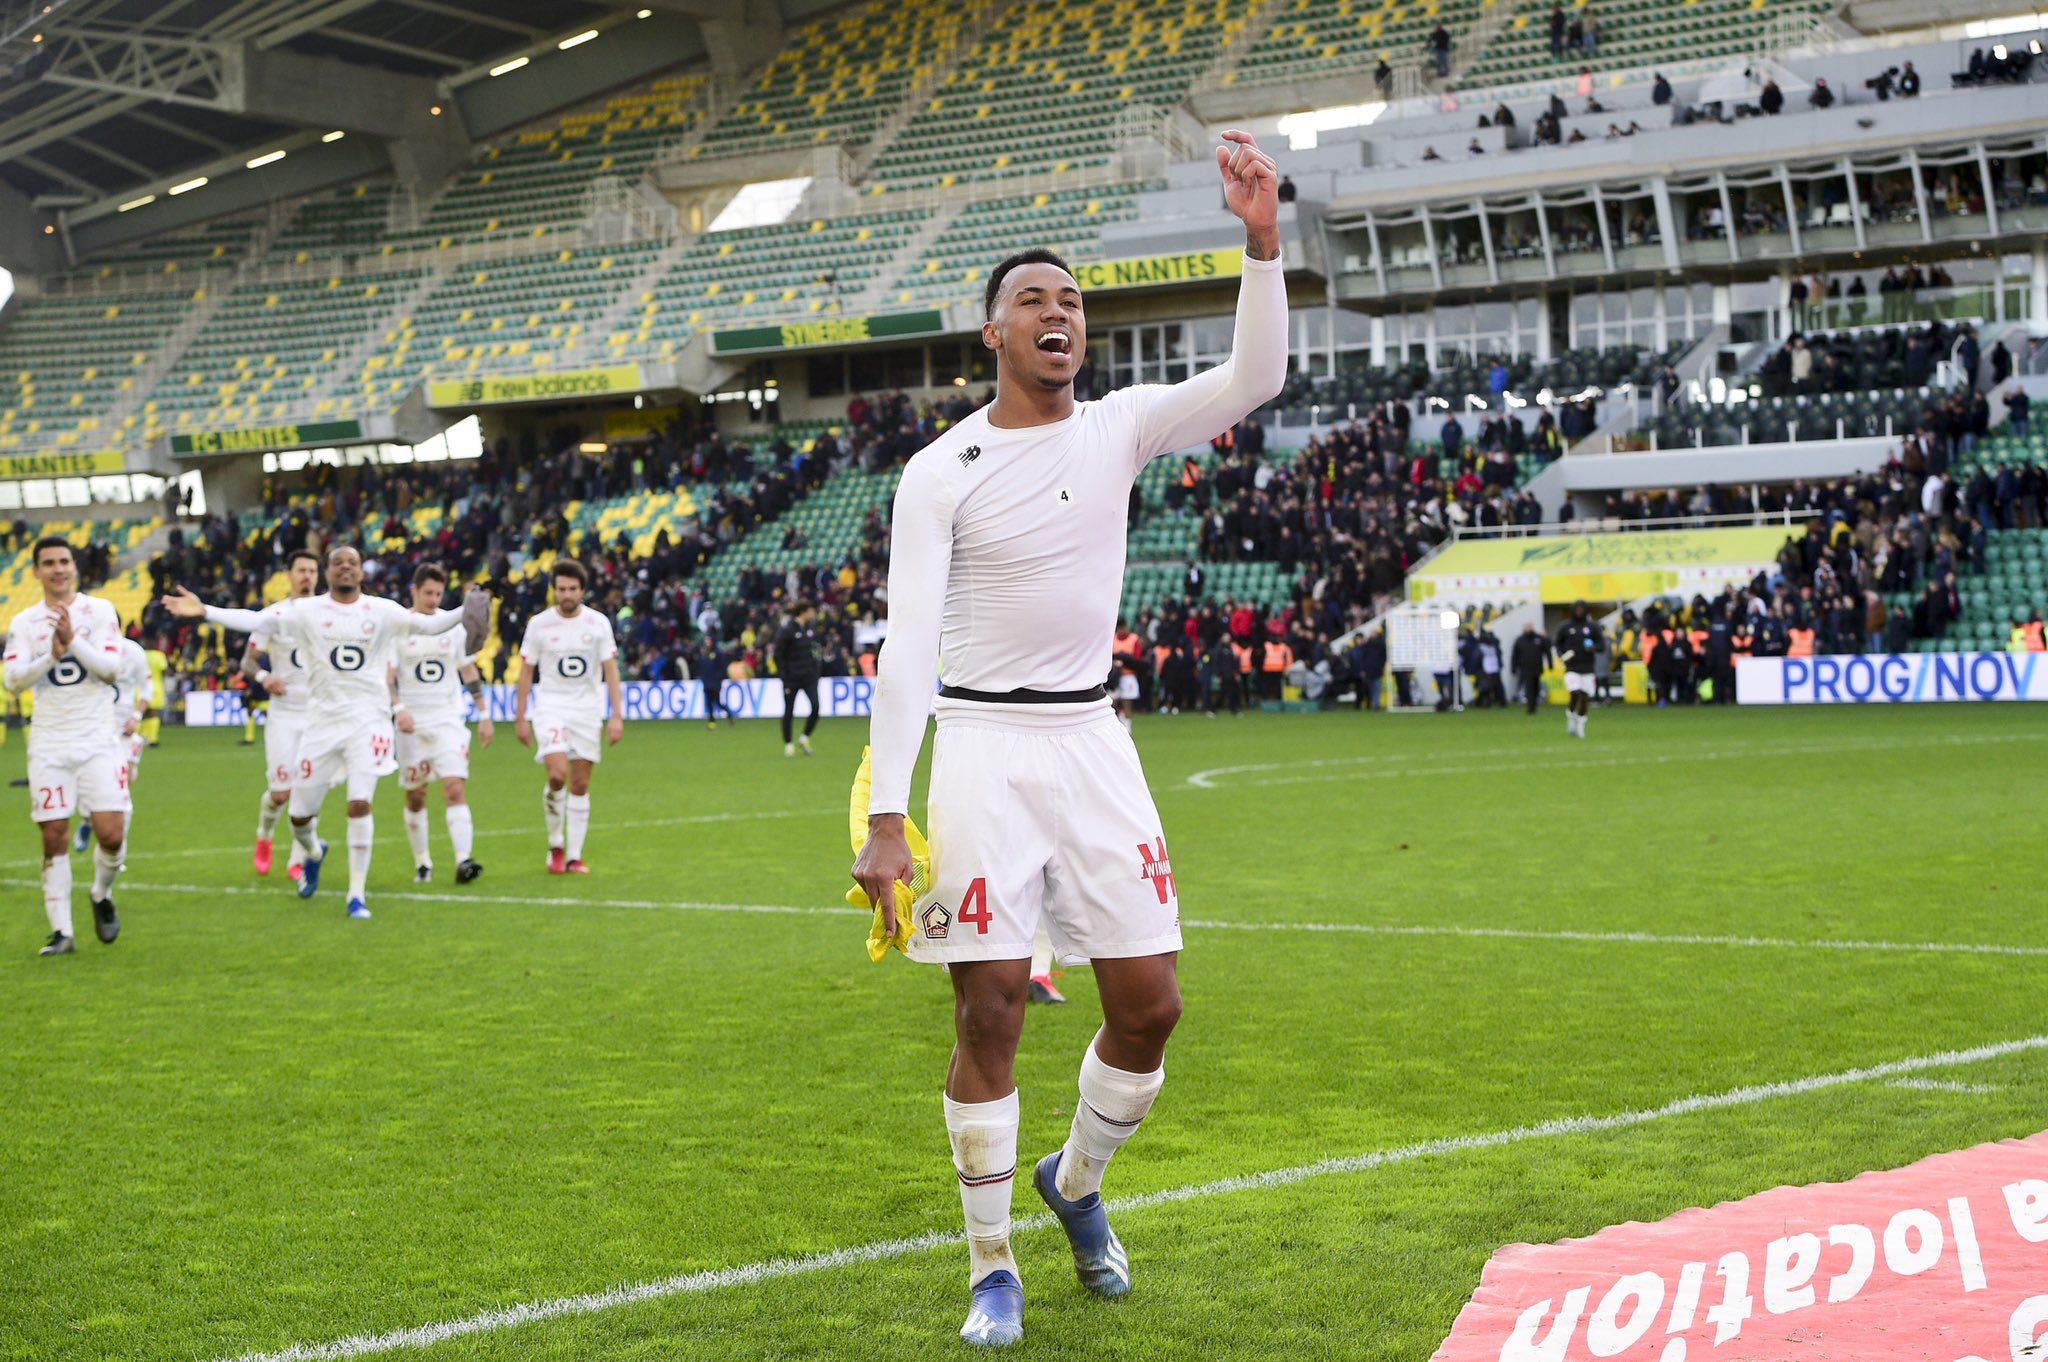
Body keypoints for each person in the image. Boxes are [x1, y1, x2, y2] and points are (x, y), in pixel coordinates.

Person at [850, 128, 1286, 1349]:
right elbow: (906, 646)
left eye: (1072, 301)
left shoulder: (1119, 427)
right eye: (1032, 300)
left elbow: (1251, 379)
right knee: (987, 1009)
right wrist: (889, 816)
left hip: (1095, 740)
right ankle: (992, 1269)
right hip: (982, 748)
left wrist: (1260, 242)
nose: (1059, 314)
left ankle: (1076, 1185)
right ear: (990, 332)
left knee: (1148, 1007)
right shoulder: (938, 471)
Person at [164, 546, 486, 920]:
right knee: (300, 817)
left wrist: (471, 605)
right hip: (320, 725)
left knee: (359, 802)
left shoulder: (382, 611)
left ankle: (356, 895)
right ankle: (314, 852)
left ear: (361, 573)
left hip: (369, 721)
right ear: (329, 573)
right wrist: (205, 611)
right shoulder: (306, 611)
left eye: (352, 562)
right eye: (338, 563)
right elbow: (256, 621)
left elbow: (430, 624)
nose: (345, 567)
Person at [7, 537, 131, 956]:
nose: (57, 569)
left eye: (64, 561)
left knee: (111, 834)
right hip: (49, 743)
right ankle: (62, 932)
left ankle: (100, 893)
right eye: (48, 563)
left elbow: (112, 670)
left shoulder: (99, 612)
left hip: (98, 739)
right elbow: (12, 681)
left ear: (74, 567)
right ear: (37, 572)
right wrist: (50, 657)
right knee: (54, 835)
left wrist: (72, 641)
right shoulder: (24, 622)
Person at [514, 559, 624, 875]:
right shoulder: (539, 624)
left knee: (579, 783)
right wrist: (520, 717)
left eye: (573, 589)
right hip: (551, 707)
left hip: (588, 710)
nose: (567, 594)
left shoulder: (598, 623)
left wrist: (616, 715)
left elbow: (611, 671)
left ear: (582, 591)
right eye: (561, 589)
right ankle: (555, 845)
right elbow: (526, 672)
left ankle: (574, 856)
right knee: (557, 775)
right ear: (554, 590)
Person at [391, 563, 492, 885]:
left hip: (449, 719)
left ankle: (464, 860)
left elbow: (469, 671)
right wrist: (398, 709)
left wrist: (484, 714)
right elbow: (387, 678)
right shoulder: (398, 628)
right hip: (411, 726)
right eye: (428, 593)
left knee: (454, 787)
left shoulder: (453, 626)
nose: (434, 600)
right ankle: (423, 862)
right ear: (414, 591)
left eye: (438, 593)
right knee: (416, 795)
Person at [243, 549, 319, 880]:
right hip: (285, 715)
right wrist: (263, 677)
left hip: (319, 715)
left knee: (309, 790)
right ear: (288, 574)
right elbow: (247, 661)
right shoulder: (273, 615)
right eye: (301, 570)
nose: (307, 576)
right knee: (280, 794)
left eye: (313, 571)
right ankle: (264, 836)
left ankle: (298, 858)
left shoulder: (329, 614)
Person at [73, 633, 150, 856]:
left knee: (127, 777)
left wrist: (136, 716)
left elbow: (147, 688)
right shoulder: (87, 652)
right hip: (96, 728)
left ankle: (114, 837)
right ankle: (88, 819)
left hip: (124, 728)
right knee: (94, 778)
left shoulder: (133, 651)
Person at [774, 599, 822, 756]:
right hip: (792, 678)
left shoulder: (808, 629)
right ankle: (788, 744)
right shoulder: (787, 630)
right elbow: (778, 655)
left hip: (808, 677)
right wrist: (784, 677)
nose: (813, 614)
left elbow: (812, 652)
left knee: (815, 707)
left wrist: (815, 671)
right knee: (789, 711)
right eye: (810, 611)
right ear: (804, 612)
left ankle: (804, 737)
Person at [1554, 600, 1602, 739]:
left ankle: (1580, 725)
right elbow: (1557, 643)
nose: (1579, 611)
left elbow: (1601, 645)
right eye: (1577, 608)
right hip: (1572, 667)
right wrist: (1562, 656)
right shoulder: (1566, 627)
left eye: (1582, 608)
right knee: (1575, 693)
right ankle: (1571, 718)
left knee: (1584, 698)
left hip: (1587, 667)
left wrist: (1594, 648)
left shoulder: (1592, 627)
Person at [1509, 621, 1552, 714]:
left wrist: (1550, 664)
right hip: (1525, 668)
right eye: (1526, 627)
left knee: (1535, 686)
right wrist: (1513, 667)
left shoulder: (1539, 638)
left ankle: (1533, 704)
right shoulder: (1520, 640)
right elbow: (1514, 655)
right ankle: (1530, 707)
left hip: (1537, 667)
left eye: (1529, 626)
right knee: (1529, 687)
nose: (1528, 628)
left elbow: (1547, 650)